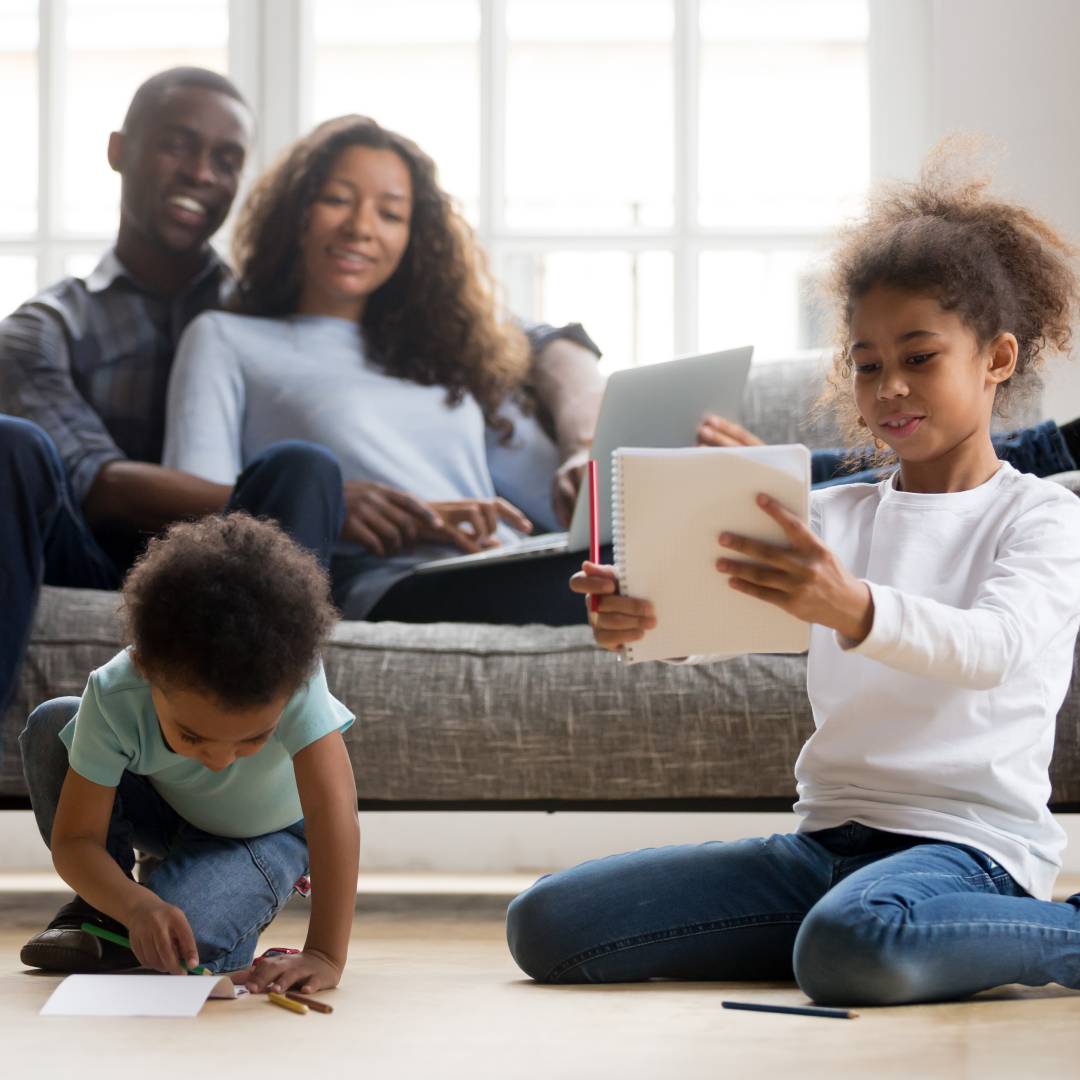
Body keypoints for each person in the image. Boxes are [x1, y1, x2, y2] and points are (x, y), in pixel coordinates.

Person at [506, 154, 1080, 1006]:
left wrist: (851, 607)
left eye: (919, 358)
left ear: (997, 358)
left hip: (969, 849)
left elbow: (992, 649)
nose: (890, 388)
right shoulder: (830, 515)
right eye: (867, 362)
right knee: (545, 924)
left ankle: (1031, 932)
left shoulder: (1040, 516)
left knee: (857, 945)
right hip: (823, 843)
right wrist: (643, 627)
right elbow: (725, 622)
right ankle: (848, 931)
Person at [0, 69, 603, 725]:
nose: (202, 172)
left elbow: (544, 342)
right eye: (177, 144)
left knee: (620, 552)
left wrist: (586, 447)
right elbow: (105, 486)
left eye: (226, 159)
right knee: (297, 466)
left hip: (439, 558)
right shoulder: (79, 328)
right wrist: (336, 502)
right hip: (161, 561)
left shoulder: (408, 338)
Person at [164, 114, 602, 626]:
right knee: (618, 582)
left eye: (390, 214)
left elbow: (555, 506)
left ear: (414, 238)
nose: (361, 228)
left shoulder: (448, 355)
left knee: (633, 565)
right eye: (337, 200)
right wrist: (350, 516)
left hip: (495, 561)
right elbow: (200, 517)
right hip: (384, 583)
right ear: (296, 213)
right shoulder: (226, 339)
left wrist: (589, 463)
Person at [19, 512, 358, 995]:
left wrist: (325, 954)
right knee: (55, 722)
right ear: (147, 669)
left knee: (186, 934)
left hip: (269, 835)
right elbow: (75, 841)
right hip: (170, 810)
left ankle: (150, 915)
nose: (220, 759)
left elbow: (334, 813)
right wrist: (134, 904)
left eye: (252, 739)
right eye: (192, 736)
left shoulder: (296, 679)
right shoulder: (116, 691)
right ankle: (104, 908)